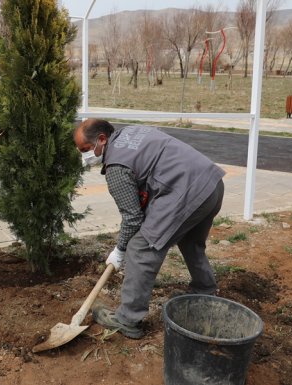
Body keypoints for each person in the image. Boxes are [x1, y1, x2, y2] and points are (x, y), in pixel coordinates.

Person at [73, 119, 225, 339]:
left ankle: (127, 319)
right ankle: (205, 291)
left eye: (85, 150)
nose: (84, 156)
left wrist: (120, 250)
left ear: (102, 139)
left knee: (141, 247)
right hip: (211, 185)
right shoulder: (132, 132)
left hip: (186, 192)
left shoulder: (116, 166)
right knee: (191, 241)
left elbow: (133, 218)